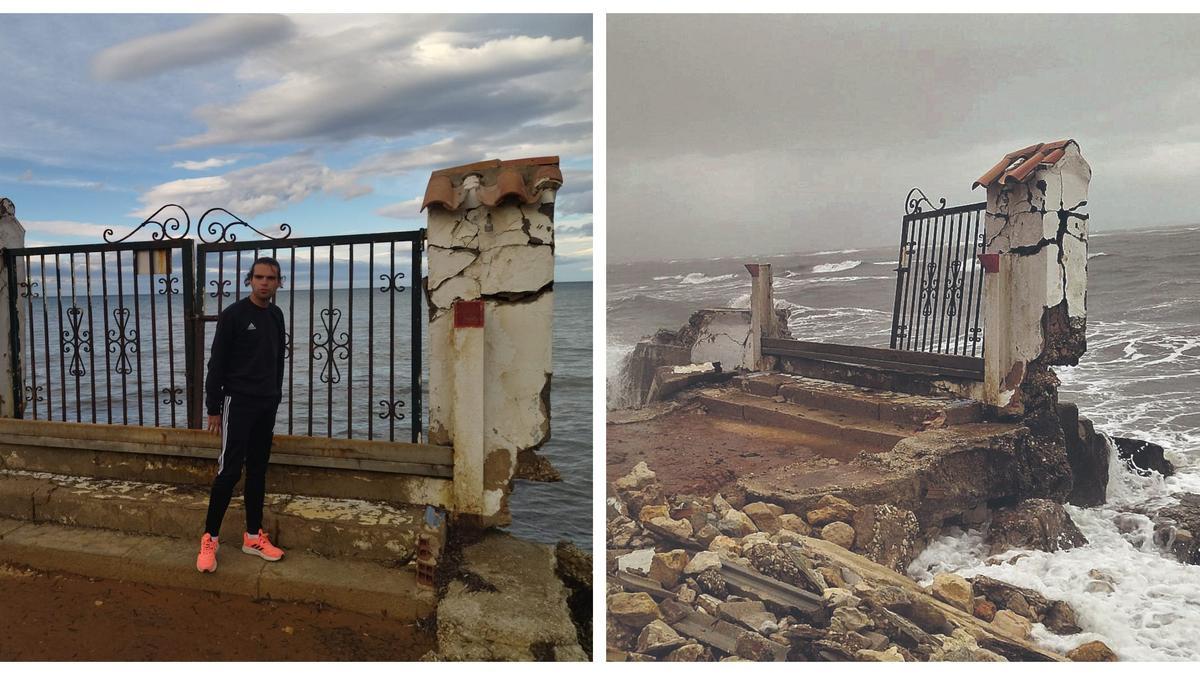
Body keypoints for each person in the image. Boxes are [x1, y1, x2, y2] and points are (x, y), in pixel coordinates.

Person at [196, 257, 288, 573]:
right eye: (259, 277)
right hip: (238, 404)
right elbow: (216, 364)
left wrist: (275, 395)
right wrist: (213, 408)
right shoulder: (233, 316)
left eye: (271, 278)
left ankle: (252, 537)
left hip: (266, 404)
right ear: (249, 280)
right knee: (229, 472)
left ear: (279, 282)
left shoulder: (276, 315)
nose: (264, 282)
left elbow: (278, 361)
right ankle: (210, 539)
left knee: (258, 470)